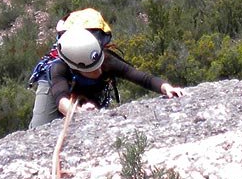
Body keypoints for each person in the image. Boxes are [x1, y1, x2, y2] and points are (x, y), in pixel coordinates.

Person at [28, 22, 184, 129]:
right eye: (92, 70)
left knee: (92, 114)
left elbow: (140, 77)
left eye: (98, 66)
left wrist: (166, 87)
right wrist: (77, 111)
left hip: (87, 88)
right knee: (39, 126)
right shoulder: (58, 68)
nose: (99, 72)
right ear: (75, 67)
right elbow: (61, 100)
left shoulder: (106, 60)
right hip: (55, 86)